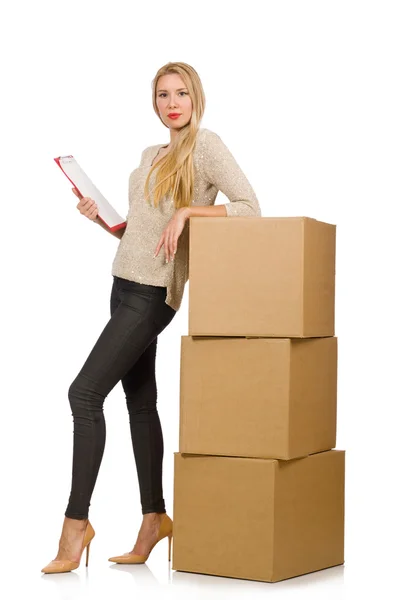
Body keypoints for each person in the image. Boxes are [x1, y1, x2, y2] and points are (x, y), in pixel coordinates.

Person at [41, 61, 261, 574]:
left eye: (181, 92)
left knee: (84, 393)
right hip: (122, 284)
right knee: (141, 403)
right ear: (154, 103)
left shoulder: (206, 147)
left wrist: (188, 213)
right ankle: (154, 519)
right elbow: (143, 238)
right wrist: (104, 221)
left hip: (154, 294)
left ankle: (76, 526)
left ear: (196, 97)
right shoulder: (150, 154)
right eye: (162, 95)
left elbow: (250, 206)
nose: (172, 103)